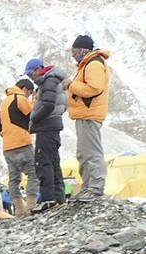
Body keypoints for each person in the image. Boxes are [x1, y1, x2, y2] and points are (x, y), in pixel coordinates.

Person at [61, 35, 111, 202]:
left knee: (92, 152)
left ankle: (96, 188)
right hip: (84, 114)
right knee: (84, 153)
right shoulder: (88, 64)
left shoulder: (94, 63)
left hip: (90, 114)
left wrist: (70, 85)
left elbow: (94, 88)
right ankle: (88, 186)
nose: (73, 54)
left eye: (75, 51)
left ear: (83, 49)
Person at [24, 58, 67, 213]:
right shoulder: (54, 80)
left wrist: (34, 118)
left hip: (47, 126)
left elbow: (48, 104)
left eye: (31, 73)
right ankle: (58, 197)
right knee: (53, 161)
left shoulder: (49, 81)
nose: (30, 77)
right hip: (53, 126)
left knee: (43, 161)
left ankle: (48, 199)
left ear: (38, 69)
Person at [0, 79, 39, 216]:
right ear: (25, 89)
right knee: (33, 173)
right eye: (29, 92)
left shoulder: (2, 104)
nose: (28, 95)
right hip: (22, 142)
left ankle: (19, 209)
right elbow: (32, 114)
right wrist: (35, 100)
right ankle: (31, 205)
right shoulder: (19, 97)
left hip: (7, 146)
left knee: (14, 178)